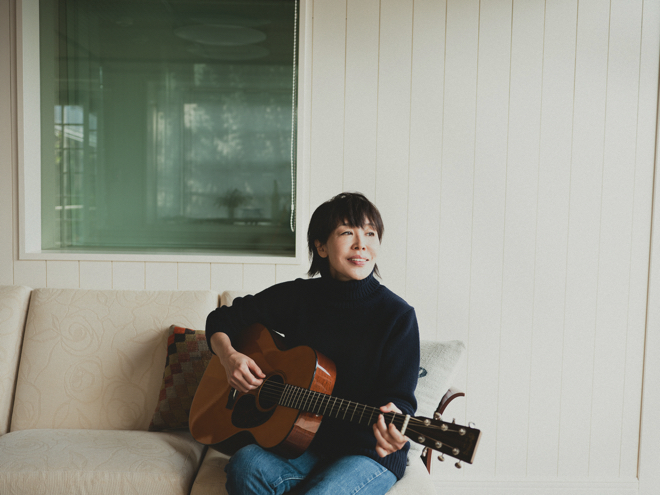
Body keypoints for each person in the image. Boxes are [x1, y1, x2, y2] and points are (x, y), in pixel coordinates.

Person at [206, 192, 420, 495]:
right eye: (347, 233)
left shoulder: (397, 316)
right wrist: (229, 357)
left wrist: (394, 424)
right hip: (298, 444)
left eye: (370, 233)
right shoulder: (298, 298)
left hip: (366, 452)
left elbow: (401, 399)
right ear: (321, 246)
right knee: (245, 465)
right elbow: (222, 319)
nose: (361, 244)